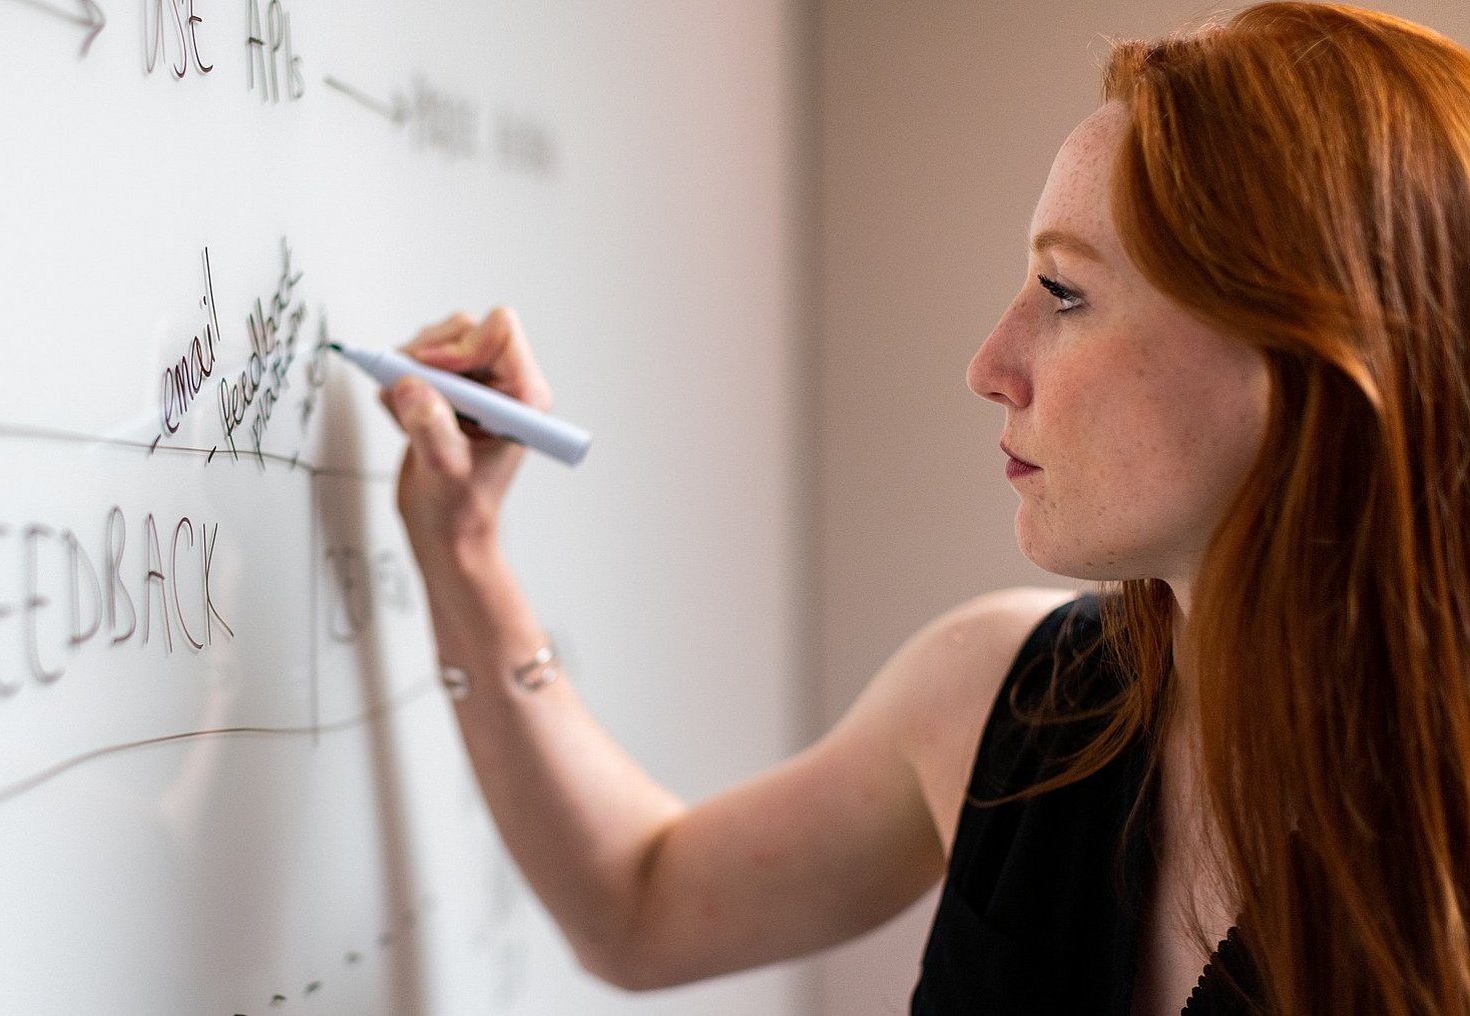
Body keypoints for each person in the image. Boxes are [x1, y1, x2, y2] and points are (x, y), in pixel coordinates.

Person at [376, 3, 1470, 1013]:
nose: (989, 363)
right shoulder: (1015, 699)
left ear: (1306, 356)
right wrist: (465, 552)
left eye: (1065, 292)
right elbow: (637, 903)